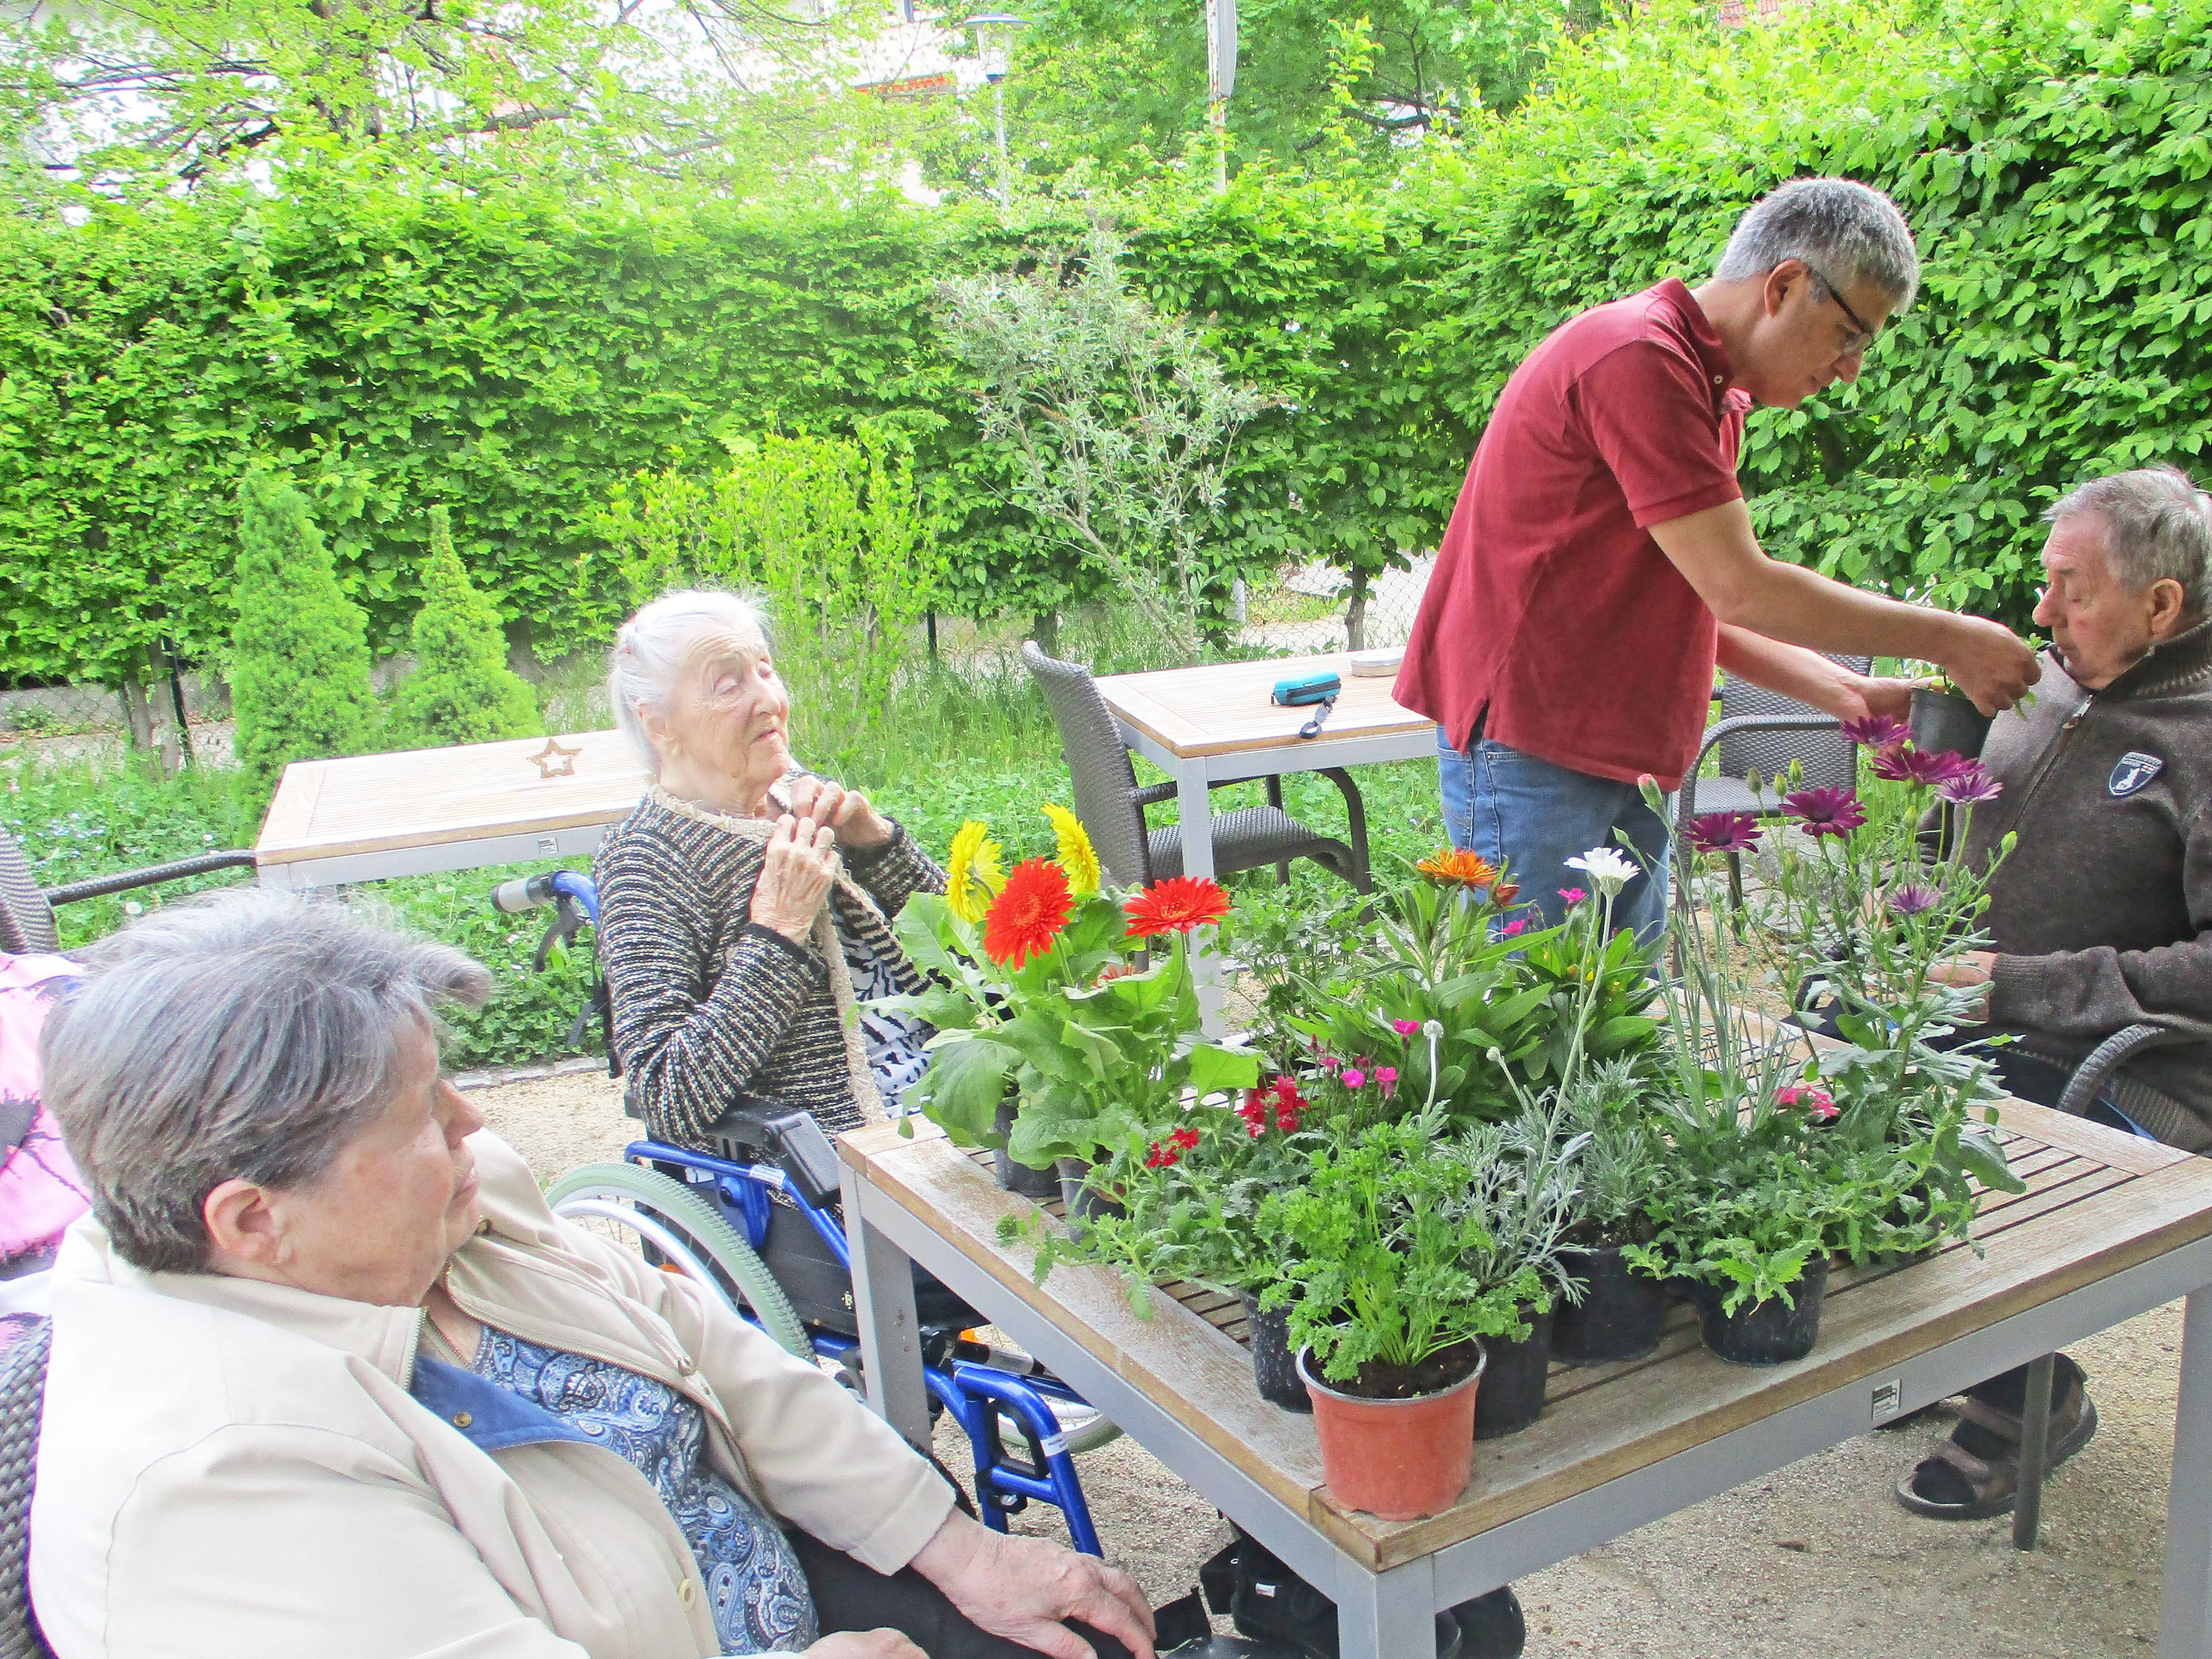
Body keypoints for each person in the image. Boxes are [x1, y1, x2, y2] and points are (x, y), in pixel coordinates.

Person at [29, 891, 1156, 1659]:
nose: (474, 1120)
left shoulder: (448, 1211)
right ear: (252, 1218)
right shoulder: (216, 1485)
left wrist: (960, 1547)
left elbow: (705, 1344)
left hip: (778, 1591)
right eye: (421, 1111)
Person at [1396, 176, 2041, 939]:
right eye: (1849, 336)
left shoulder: (1712, 395)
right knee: (1530, 1035)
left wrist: (1842, 691)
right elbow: (1740, 587)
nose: (1849, 371)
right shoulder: (1636, 357)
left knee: (1617, 1028)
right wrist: (1949, 635)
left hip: (1619, 750)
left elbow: (1697, 598)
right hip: (1534, 747)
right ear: (1785, 285)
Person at [1891, 464, 2212, 1522]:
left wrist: (2020, 986)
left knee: (1957, 1111)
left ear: (2160, 605)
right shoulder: (2053, 681)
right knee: (1824, 1068)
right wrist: (1914, 902)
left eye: (2069, 587)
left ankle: (2031, 1388)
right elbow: (1982, 827)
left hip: (2143, 1056)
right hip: (1991, 1010)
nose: (2039, 613)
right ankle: (1943, 1332)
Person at [595, 589, 941, 1146]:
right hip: (849, 1163)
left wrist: (877, 845)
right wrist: (778, 928)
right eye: (729, 685)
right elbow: (665, 1096)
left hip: (959, 1099)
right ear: (658, 724)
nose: (769, 701)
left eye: (765, 671)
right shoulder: (648, 858)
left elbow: (972, 947)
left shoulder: (797, 792)